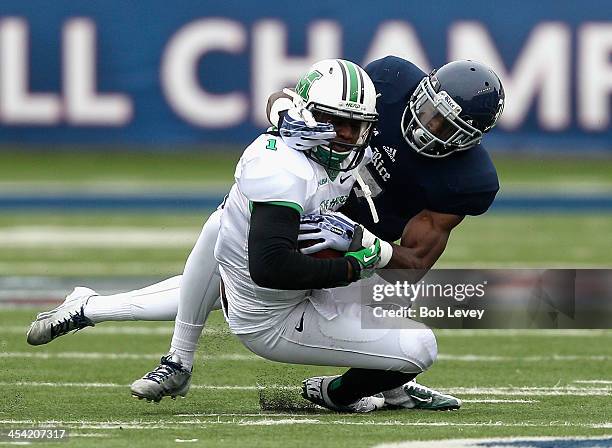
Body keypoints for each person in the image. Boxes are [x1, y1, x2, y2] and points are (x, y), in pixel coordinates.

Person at [27, 56, 504, 412]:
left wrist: (364, 249)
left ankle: (96, 310)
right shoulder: (390, 79)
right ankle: (166, 352)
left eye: (450, 126)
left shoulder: (468, 180)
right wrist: (285, 113)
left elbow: (415, 263)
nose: (430, 127)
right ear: (420, 90)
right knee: (228, 246)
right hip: (308, 208)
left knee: (389, 321)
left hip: (363, 244)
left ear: (476, 137)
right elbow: (307, 97)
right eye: (430, 110)